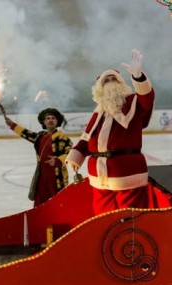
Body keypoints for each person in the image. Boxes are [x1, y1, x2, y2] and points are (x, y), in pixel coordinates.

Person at [66, 49, 155, 215]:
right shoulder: (99, 112)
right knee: (103, 217)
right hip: (99, 176)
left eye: (114, 79)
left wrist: (138, 76)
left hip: (127, 174)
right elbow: (86, 139)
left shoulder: (133, 103)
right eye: (107, 80)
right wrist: (75, 156)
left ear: (122, 84)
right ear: (99, 88)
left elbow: (147, 98)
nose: (111, 82)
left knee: (132, 217)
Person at [5, 108, 73, 207]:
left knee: (58, 203)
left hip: (57, 178)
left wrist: (57, 160)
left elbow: (71, 153)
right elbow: (26, 133)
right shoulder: (40, 137)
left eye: (53, 118)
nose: (50, 120)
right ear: (44, 122)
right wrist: (12, 125)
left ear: (57, 121)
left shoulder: (63, 139)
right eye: (48, 118)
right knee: (40, 204)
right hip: (41, 177)